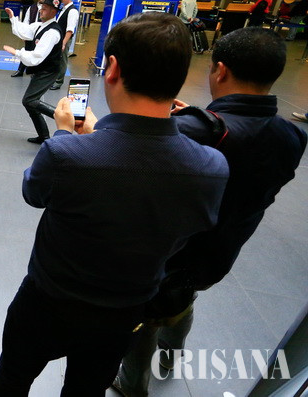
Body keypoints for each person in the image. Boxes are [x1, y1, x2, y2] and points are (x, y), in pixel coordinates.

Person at [0, 12, 229, 397]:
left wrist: (66, 134)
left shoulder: (66, 154)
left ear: (113, 68)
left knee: (14, 377)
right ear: (181, 75)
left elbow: (34, 192)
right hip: (125, 312)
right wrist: (97, 135)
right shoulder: (211, 167)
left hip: (47, 302)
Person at [113, 27, 307, 396]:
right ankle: (170, 356)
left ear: (220, 70)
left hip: (168, 257)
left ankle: (132, 383)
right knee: (183, 300)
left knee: (144, 318)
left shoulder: (194, 131)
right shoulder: (292, 135)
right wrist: (196, 119)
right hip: (221, 252)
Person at [4, 0, 63, 144]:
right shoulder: (40, 25)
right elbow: (25, 31)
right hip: (42, 69)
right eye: (42, 8)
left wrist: (16, 52)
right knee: (30, 102)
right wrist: (12, 18)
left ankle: (62, 117)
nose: (41, 10)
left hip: (48, 71)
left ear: (53, 12)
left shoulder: (52, 32)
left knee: (29, 100)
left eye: (45, 9)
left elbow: (37, 57)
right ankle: (44, 136)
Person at [12, 0, 48, 78]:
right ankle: (20, 70)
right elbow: (26, 21)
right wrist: (24, 34)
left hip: (41, 35)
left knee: (38, 53)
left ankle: (35, 72)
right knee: (26, 51)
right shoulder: (32, 7)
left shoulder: (48, 9)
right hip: (30, 34)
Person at [51, 0, 80, 90]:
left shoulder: (72, 11)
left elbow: (70, 30)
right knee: (57, 59)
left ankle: (59, 81)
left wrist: (63, 43)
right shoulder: (64, 9)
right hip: (59, 38)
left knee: (62, 60)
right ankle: (55, 79)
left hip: (64, 39)